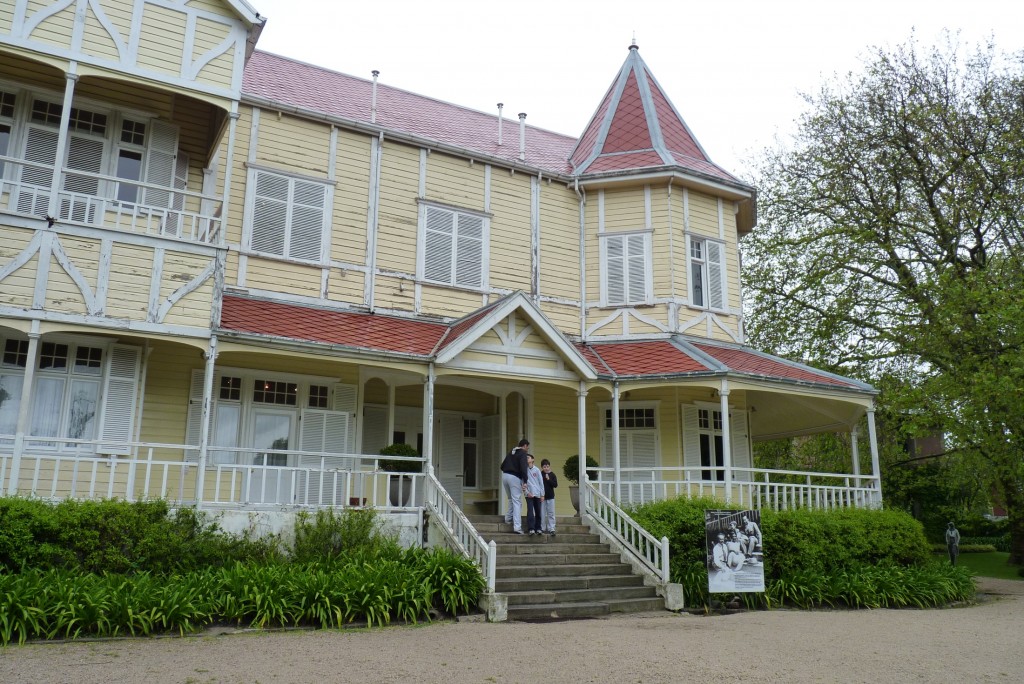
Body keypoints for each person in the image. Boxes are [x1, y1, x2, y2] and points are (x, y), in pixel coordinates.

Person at [500, 439, 530, 534]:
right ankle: (517, 527)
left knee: (510, 499)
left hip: (505, 476)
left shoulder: (511, 452)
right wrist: (525, 481)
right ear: (524, 445)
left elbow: (502, 466)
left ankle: (508, 519)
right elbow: (523, 468)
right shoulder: (522, 454)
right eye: (527, 446)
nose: (528, 448)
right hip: (514, 478)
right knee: (517, 501)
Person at [524, 454, 545, 535]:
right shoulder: (524, 470)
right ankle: (531, 528)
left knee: (538, 511)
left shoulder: (537, 470)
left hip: (537, 494)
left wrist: (542, 494)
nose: (527, 459)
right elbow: (523, 482)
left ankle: (538, 528)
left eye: (528, 457)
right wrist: (527, 492)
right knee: (530, 511)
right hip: (528, 494)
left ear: (532, 460)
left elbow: (541, 483)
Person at [540, 458, 558, 536]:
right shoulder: (540, 474)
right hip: (542, 497)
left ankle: (552, 528)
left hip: (550, 497)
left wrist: (549, 479)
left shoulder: (552, 475)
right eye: (544, 467)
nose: (546, 468)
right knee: (542, 513)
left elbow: (555, 485)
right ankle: (542, 528)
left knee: (551, 513)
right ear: (542, 467)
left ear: (549, 466)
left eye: (547, 466)